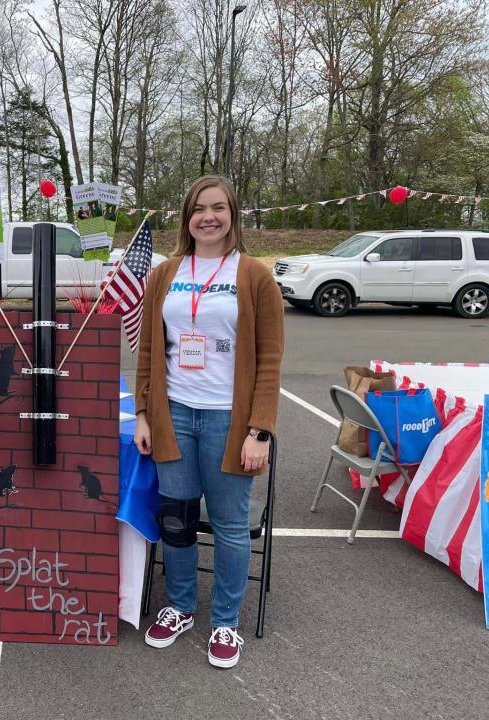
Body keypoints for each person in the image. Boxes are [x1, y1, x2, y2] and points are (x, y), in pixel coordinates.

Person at [134, 174, 283, 669]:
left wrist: (260, 429)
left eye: (219, 207)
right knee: (176, 520)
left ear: (233, 215)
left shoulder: (254, 275)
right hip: (173, 414)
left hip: (228, 420)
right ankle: (179, 607)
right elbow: (150, 351)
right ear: (187, 217)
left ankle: (225, 621)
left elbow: (269, 359)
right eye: (199, 208)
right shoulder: (166, 274)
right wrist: (143, 412)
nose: (209, 217)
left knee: (229, 526)